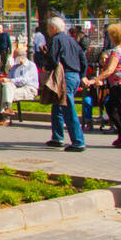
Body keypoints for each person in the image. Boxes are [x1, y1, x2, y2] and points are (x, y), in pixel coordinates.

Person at [83, 23, 121, 149]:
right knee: (112, 106)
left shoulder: (116, 51)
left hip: (120, 84)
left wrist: (94, 80)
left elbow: (109, 70)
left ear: (113, 36)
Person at [42, 16, 86, 152]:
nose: (48, 31)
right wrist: (82, 75)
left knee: (68, 108)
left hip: (64, 76)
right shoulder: (71, 40)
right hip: (75, 75)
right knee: (57, 107)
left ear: (54, 28)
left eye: (49, 28)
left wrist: (46, 64)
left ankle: (78, 141)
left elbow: (54, 59)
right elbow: (83, 58)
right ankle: (57, 137)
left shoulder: (56, 39)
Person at [0, 47, 39, 126]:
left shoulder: (30, 66)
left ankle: (5, 118)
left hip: (29, 89)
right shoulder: (15, 67)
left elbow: (24, 80)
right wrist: (3, 80)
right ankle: (8, 109)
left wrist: (9, 81)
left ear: (21, 57)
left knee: (6, 92)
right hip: (15, 89)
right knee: (6, 86)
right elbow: (9, 78)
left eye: (14, 57)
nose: (13, 58)